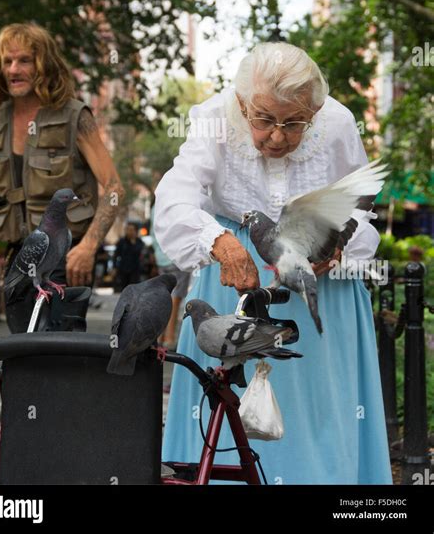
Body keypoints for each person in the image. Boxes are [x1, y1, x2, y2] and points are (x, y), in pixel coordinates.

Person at [154, 42, 392, 485]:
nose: (278, 136)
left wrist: (338, 244)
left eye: (295, 122)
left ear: (315, 112)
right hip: (233, 282)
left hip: (324, 291)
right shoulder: (213, 117)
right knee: (227, 420)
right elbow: (174, 196)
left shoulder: (338, 122)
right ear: (242, 103)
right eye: (263, 119)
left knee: (321, 423)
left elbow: (361, 204)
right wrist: (220, 241)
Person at [0, 22, 124, 472]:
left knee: (54, 368)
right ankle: (8, 455)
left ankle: (14, 455)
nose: (15, 68)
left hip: (61, 264)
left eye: (25, 60)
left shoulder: (75, 115)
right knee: (24, 363)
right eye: (8, 60)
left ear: (43, 64)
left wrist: (89, 246)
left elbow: (112, 187)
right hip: (18, 264)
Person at [150, 204, 190, 349]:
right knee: (176, 297)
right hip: (177, 257)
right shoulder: (178, 202)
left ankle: (160, 335)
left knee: (165, 295)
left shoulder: (156, 207)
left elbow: (153, 232)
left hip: (161, 256)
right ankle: (170, 337)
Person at [112, 222, 144, 291]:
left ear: (136, 231)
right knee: (124, 289)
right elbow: (116, 255)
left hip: (135, 270)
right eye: (128, 229)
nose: (129, 232)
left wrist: (133, 243)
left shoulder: (139, 242)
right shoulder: (121, 242)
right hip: (123, 269)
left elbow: (140, 254)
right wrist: (114, 267)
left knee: (134, 289)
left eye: (131, 230)